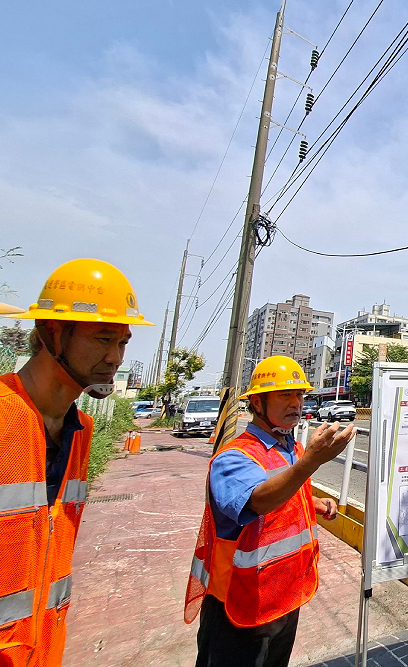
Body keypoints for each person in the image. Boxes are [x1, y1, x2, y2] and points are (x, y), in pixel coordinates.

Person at [0, 259, 153, 666]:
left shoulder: (81, 431)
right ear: (51, 332)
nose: (115, 357)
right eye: (103, 339)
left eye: (123, 343)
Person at [184, 355, 355, 667]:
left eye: (299, 394)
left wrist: (312, 503)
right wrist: (311, 462)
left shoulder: (292, 449)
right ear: (257, 403)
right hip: (239, 604)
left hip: (284, 596)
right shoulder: (234, 457)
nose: (296, 403)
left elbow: (285, 492)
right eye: (284, 395)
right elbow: (258, 500)